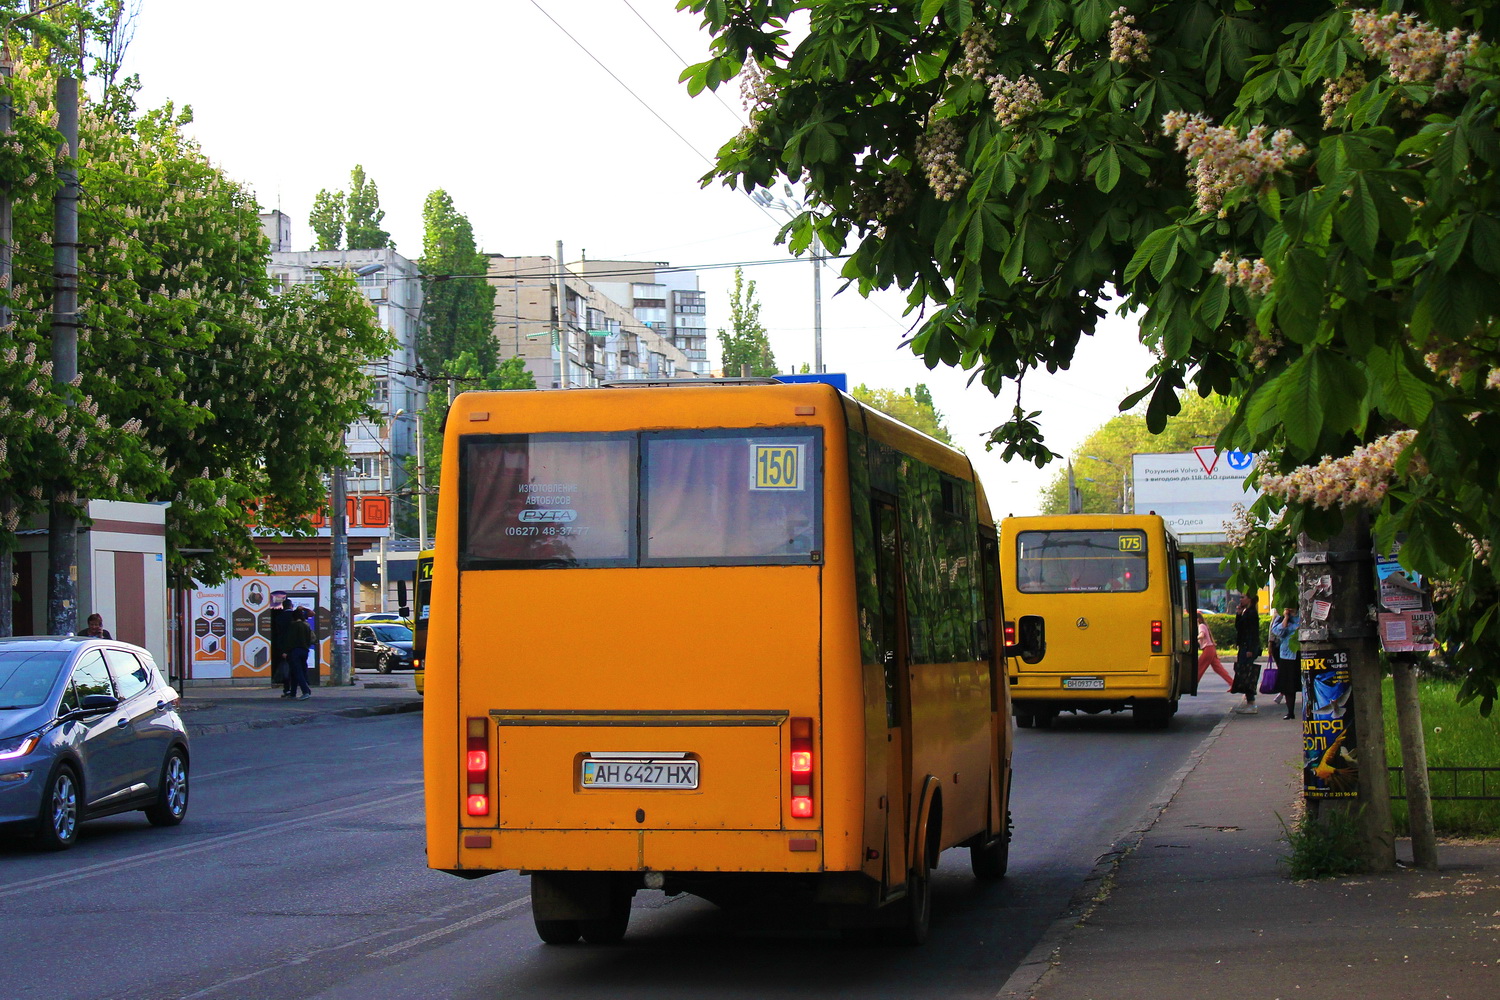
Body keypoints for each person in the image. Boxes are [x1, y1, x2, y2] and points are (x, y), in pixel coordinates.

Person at [1231, 593, 1261, 714]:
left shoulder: (1252, 613)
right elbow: (1239, 628)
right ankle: (1249, 700)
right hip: (1243, 646)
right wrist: (1238, 614)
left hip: (1248, 647)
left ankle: (1251, 703)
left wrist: (1250, 648)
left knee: (1247, 674)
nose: (1240, 599)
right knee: (1243, 672)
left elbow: (1252, 632)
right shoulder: (1245, 611)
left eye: (1243, 597)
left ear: (1250, 599)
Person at [1269, 607, 1301, 719]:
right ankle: (1290, 712)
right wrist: (1286, 617)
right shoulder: (1280, 616)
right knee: (1289, 686)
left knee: (1305, 683)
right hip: (1287, 654)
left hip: (1302, 652)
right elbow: (1277, 631)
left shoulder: (1302, 613)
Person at [1196, 612, 1234, 687]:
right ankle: (1232, 684)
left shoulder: (1201, 626)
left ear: (1198, 619)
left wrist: (1195, 638)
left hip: (1207, 649)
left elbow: (1202, 635)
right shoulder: (1204, 625)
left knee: (1199, 667)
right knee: (1218, 669)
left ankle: (1192, 684)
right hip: (1211, 648)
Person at [284, 607, 314, 701]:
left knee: (297, 672)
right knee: (295, 671)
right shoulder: (306, 625)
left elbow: (290, 640)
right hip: (304, 650)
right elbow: (311, 638)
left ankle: (305, 691)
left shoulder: (293, 626)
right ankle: (293, 693)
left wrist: (286, 651)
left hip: (295, 651)